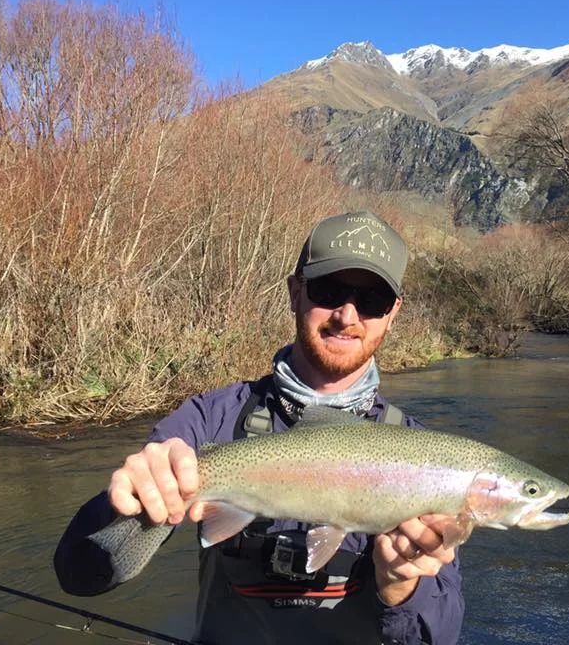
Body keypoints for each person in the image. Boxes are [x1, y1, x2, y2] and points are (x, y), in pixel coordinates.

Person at [53, 211, 465, 644]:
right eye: (329, 290)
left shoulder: (424, 459)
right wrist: (126, 505)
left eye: (371, 300)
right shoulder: (208, 419)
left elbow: (440, 637)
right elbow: (79, 577)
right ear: (295, 292)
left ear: (393, 313)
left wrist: (403, 587)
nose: (347, 315)